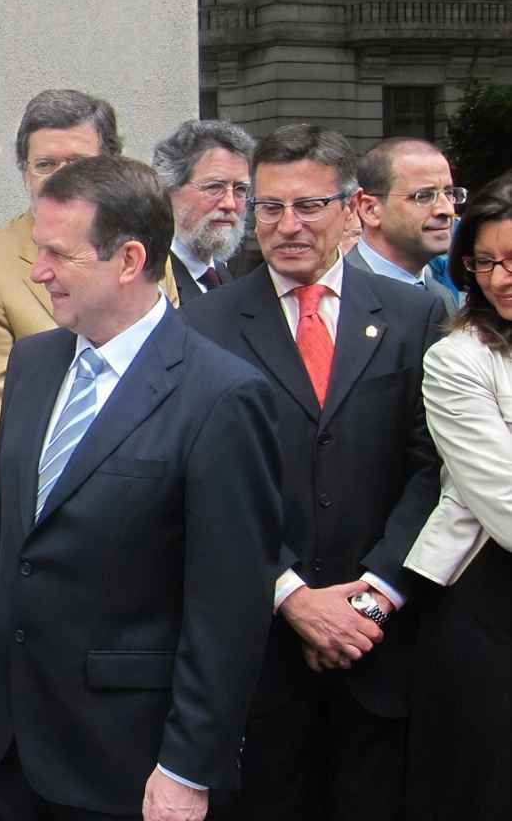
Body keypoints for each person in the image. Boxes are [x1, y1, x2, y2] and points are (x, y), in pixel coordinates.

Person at [0, 156, 282, 821]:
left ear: (129, 259)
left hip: (126, 764)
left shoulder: (220, 396)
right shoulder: (35, 362)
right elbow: (9, 538)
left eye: (58, 254)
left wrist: (188, 767)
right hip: (10, 744)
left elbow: (228, 611)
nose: (39, 271)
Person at [183, 125, 446, 821]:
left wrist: (374, 597)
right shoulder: (205, 325)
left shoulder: (416, 314)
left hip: (383, 646)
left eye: (308, 206)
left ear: (353, 207)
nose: (286, 226)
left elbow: (433, 471)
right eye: (269, 208)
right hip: (262, 652)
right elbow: (204, 488)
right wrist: (292, 595)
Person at [0, 89, 179, 597]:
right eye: (44, 164)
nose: (59, 177)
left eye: (77, 162)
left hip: (149, 532)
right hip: (35, 534)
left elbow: (172, 381)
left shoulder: (144, 251)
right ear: (24, 172)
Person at [401, 171, 512, 820]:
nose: (499, 279)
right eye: (486, 262)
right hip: (486, 604)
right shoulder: (458, 358)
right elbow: (504, 502)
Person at [346, 138, 462, 314]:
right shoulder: (338, 295)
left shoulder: (441, 296)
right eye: (423, 196)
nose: (446, 209)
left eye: (449, 193)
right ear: (370, 210)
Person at [151, 119, 256, 303]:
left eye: (240, 189)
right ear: (169, 188)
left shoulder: (224, 277)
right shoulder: (151, 283)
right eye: (214, 187)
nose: (230, 204)